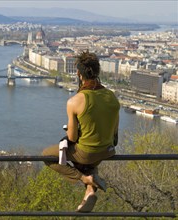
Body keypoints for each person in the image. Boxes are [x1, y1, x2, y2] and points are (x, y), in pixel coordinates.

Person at [42, 51, 120, 213]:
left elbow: (72, 137)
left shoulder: (74, 101)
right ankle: (90, 189)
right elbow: (114, 134)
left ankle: (84, 178)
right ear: (98, 72)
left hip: (87, 153)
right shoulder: (112, 97)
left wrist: (72, 134)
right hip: (108, 151)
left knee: (47, 155)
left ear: (78, 74)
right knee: (89, 154)